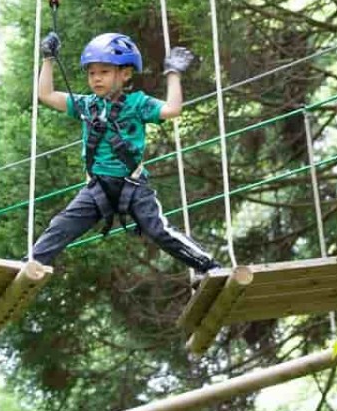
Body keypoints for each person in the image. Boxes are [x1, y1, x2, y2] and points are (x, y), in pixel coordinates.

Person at [30, 31, 222, 274]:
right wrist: (48, 59)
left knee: (158, 230)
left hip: (133, 186)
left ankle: (209, 267)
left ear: (125, 74)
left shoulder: (137, 104)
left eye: (104, 72)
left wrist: (173, 73)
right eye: (92, 73)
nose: (96, 79)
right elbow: (45, 95)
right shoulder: (87, 105)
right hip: (97, 187)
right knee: (61, 226)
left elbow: (173, 109)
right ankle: (28, 265)